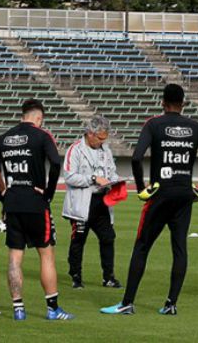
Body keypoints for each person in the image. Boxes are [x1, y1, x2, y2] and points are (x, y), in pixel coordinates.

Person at [101, 84, 198, 316]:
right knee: (179, 248)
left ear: (162, 102)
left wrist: (141, 189)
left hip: (159, 195)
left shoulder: (154, 124)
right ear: (184, 104)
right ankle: (171, 304)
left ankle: (127, 303)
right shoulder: (194, 126)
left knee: (142, 247)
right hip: (184, 195)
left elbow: (137, 158)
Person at [0, 98, 73, 321]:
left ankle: (18, 308)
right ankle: (52, 308)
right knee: (46, 254)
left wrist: (1, 194)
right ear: (39, 118)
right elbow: (56, 163)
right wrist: (49, 193)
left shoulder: (4, 137)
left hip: (12, 202)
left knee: (15, 257)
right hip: (35, 202)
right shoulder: (42, 135)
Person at [62, 115, 121, 290]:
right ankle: (76, 276)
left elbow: (112, 172)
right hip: (82, 202)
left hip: (102, 201)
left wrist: (115, 182)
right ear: (90, 134)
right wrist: (93, 178)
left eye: (105, 137)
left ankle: (108, 277)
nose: (103, 141)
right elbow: (70, 177)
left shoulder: (106, 150)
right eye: (100, 137)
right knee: (79, 239)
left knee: (108, 237)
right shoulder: (75, 150)